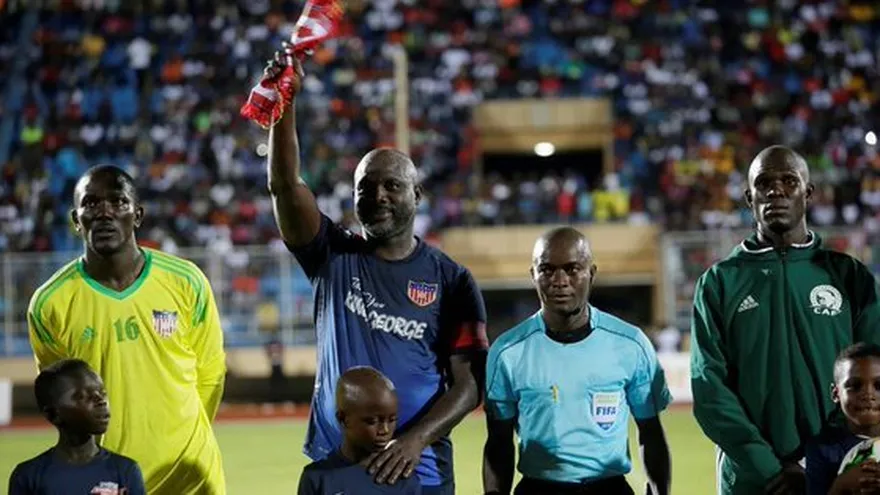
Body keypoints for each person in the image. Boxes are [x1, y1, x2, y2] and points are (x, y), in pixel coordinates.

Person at [265, 55, 487, 495]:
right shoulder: (331, 255)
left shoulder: (452, 279)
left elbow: (470, 385)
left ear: (417, 195)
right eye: (365, 187)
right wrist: (283, 102)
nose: (378, 195)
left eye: (392, 185)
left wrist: (414, 440)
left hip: (419, 472)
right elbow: (285, 186)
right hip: (338, 468)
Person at [690, 145, 880, 495]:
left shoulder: (849, 276)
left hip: (839, 471)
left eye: (789, 181)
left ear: (808, 194)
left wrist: (814, 460)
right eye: (764, 183)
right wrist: (765, 466)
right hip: (754, 481)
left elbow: (873, 375)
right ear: (749, 198)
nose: (776, 190)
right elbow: (709, 390)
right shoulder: (718, 283)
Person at [27, 165, 227, 494]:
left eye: (118, 202)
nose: (105, 212)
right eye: (91, 204)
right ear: (77, 220)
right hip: (107, 483)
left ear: (137, 215)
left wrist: (185, 437)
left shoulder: (186, 281)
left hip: (191, 478)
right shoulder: (50, 303)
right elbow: (61, 400)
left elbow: (211, 373)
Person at [483, 227, 672, 495]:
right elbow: (498, 442)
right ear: (532, 275)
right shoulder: (507, 352)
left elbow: (651, 431)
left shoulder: (631, 343)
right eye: (547, 270)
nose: (559, 281)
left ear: (591, 273)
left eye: (572, 269)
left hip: (609, 489)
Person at [8, 359, 146, 495]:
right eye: (82, 396)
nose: (101, 401)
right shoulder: (29, 477)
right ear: (52, 414)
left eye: (102, 392)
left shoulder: (125, 471)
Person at [298, 366, 423, 494]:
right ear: (343, 419)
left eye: (392, 420)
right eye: (372, 421)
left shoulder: (403, 479)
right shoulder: (318, 478)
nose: (384, 430)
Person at [806, 343, 880, 495]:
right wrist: (842, 484)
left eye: (879, 386)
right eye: (855, 385)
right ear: (835, 394)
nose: (868, 395)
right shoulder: (822, 449)